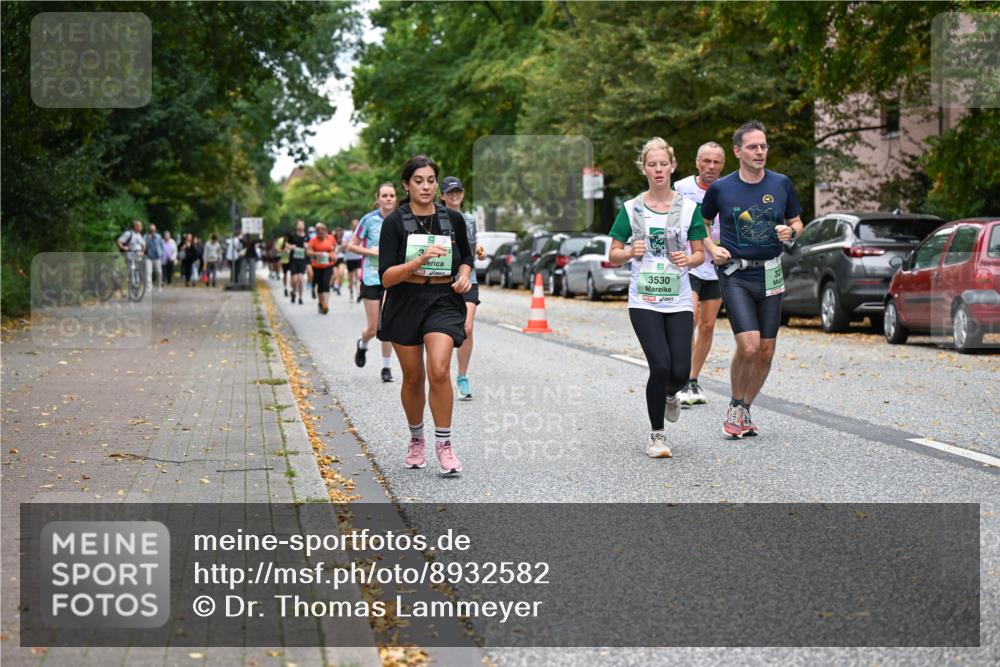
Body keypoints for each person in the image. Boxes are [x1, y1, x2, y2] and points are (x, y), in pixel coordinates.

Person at [700, 120, 803, 439]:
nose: (760, 152)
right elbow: (701, 223)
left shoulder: (781, 183)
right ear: (738, 151)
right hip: (736, 274)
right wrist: (711, 247)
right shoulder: (722, 188)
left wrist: (792, 232)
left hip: (771, 271)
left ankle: (745, 408)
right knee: (749, 346)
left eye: (764, 146)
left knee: (767, 349)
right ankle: (734, 404)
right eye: (753, 147)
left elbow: (797, 222)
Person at [608, 138, 706, 459]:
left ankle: (669, 394)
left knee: (680, 371)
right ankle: (657, 436)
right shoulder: (631, 208)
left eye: (664, 164)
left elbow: (699, 254)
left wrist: (687, 261)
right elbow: (613, 254)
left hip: (678, 299)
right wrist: (627, 252)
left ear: (673, 167)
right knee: (660, 364)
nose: (659, 169)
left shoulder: (689, 208)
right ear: (644, 169)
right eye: (652, 164)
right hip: (644, 300)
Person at [377, 155, 474, 475]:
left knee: (439, 368)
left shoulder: (452, 219)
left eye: (431, 180)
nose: (426, 186)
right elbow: (387, 278)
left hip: (443, 301)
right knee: (414, 377)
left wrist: (463, 274)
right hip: (405, 300)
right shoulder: (394, 222)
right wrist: (416, 262)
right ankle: (416, 438)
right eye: (418, 181)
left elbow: (466, 259)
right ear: (406, 184)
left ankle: (444, 445)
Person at [674, 142, 726, 406]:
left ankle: (693, 380)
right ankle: (680, 378)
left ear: (723, 165)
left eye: (716, 162)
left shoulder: (728, 189)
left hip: (717, 269)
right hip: (690, 263)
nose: (711, 167)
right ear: (697, 163)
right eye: (706, 161)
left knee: (707, 326)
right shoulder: (682, 189)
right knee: (689, 319)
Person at [440, 176, 486, 401]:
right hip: (444, 279)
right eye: (450, 192)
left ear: (463, 194)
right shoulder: (435, 217)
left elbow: (473, 247)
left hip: (469, 277)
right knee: (445, 331)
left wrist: (480, 253)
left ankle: (462, 376)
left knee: (467, 327)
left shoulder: (469, 219)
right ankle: (440, 374)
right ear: (442, 196)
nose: (454, 195)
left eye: (457, 192)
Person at [349, 183, 398, 383]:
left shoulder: (401, 219)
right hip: (371, 277)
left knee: (386, 324)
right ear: (378, 199)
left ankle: (386, 367)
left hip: (393, 277)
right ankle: (362, 343)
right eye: (384, 195)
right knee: (373, 327)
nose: (388, 198)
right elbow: (352, 246)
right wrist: (372, 252)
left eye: (391, 195)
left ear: (395, 198)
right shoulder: (368, 220)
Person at [307, 223, 336, 314]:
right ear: (316, 233)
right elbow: (308, 252)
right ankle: (321, 302)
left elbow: (335, 248)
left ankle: (325, 304)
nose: (321, 234)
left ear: (326, 231)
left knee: (326, 283)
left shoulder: (331, 238)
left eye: (323, 232)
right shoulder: (313, 241)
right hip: (317, 266)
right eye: (319, 232)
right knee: (320, 285)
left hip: (328, 265)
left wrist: (333, 255)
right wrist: (317, 254)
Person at [341, 219, 363, 301]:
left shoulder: (361, 233)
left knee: (358, 276)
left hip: (358, 257)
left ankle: (358, 293)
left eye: (357, 225)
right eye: (354, 225)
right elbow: (342, 246)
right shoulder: (347, 234)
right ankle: (351, 293)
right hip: (350, 258)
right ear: (351, 226)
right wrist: (350, 244)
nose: (355, 226)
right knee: (351, 278)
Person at [287, 220, 308, 304]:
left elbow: (311, 246)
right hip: (294, 259)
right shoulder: (292, 236)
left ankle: (300, 297)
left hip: (302, 260)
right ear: (296, 226)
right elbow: (286, 245)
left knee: (301, 279)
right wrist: (291, 247)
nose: (301, 226)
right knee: (295, 280)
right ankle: (293, 291)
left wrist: (307, 247)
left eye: (302, 224)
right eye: (299, 224)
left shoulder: (306, 236)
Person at [144, 223, 164, 292]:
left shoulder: (158, 236)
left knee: (159, 272)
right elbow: (144, 245)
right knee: (148, 272)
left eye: (153, 230)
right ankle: (149, 286)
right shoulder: (145, 236)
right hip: (148, 257)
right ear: (148, 230)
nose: (152, 231)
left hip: (157, 257)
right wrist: (148, 239)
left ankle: (159, 285)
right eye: (151, 230)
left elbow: (161, 245)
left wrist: (161, 253)